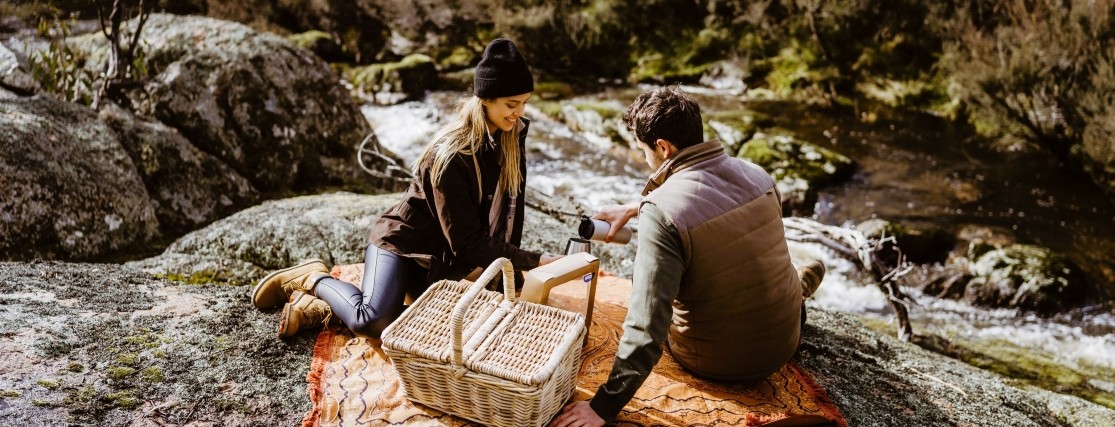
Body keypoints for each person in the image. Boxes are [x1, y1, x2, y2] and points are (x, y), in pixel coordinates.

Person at [549, 87, 826, 427]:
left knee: (647, 292)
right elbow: (709, 205)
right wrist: (639, 208)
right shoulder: (758, 175)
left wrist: (602, 407)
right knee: (757, 259)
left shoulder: (662, 211)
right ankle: (798, 289)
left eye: (643, 149)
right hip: (786, 340)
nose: (645, 157)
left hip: (718, 361)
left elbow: (648, 326)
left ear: (662, 147)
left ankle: (799, 287)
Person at [250, 38, 562, 339]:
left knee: (459, 324)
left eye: (524, 103)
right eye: (512, 103)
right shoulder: (451, 156)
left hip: (436, 260)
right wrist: (532, 259)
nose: (519, 112)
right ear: (486, 99)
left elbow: (511, 213)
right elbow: (466, 243)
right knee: (373, 321)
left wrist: (513, 278)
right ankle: (314, 279)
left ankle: (321, 311)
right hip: (401, 245)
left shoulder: (509, 140)